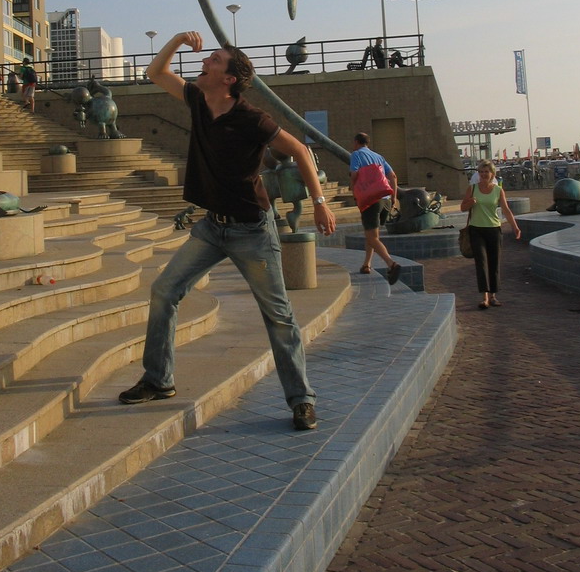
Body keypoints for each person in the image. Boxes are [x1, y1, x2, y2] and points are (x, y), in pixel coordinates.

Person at [118, 30, 336, 431]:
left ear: (229, 79)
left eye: (214, 60)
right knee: (164, 290)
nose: (204, 62)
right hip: (211, 227)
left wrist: (320, 203)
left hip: (252, 230)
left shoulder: (252, 119)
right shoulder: (199, 101)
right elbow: (155, 71)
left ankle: (302, 399)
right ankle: (158, 379)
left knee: (279, 315)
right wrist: (177, 39)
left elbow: (301, 151)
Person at [460, 159, 521, 309]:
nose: (483, 174)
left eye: (486, 172)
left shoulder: (498, 190)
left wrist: (515, 227)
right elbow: (462, 207)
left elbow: (506, 210)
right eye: (481, 172)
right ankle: (484, 297)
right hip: (476, 229)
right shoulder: (472, 189)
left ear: (492, 173)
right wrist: (470, 203)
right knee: (481, 263)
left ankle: (493, 295)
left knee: (494, 262)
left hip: (494, 229)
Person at [350, 132, 401, 283]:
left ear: (356, 142)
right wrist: (394, 196)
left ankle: (391, 264)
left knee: (371, 236)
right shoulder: (379, 157)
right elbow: (393, 176)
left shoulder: (356, 155)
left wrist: (353, 187)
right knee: (372, 235)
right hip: (385, 200)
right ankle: (367, 264)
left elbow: (354, 174)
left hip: (370, 199)